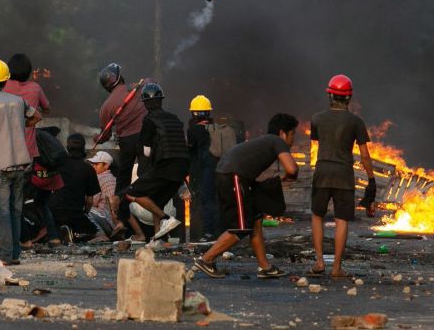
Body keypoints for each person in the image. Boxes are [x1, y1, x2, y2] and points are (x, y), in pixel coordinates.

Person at [194, 113, 299, 280]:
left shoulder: (264, 142)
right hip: (233, 176)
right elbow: (292, 169)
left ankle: (265, 267)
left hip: (233, 175)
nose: (293, 139)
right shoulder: (277, 141)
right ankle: (206, 259)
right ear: (283, 133)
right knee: (241, 227)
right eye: (293, 134)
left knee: (255, 221)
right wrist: (290, 177)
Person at [0, 58, 42, 265]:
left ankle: (5, 256)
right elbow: (36, 117)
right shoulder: (17, 101)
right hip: (21, 163)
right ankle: (15, 254)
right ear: (6, 80)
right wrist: (20, 125)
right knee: (16, 209)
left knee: (1, 210)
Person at [307, 74, 375, 279]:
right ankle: (336, 268)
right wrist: (371, 179)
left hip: (322, 172)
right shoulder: (356, 122)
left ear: (330, 95)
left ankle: (319, 262)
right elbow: (364, 155)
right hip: (343, 175)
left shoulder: (317, 118)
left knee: (317, 216)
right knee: (341, 219)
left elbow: (318, 144)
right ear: (349, 98)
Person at [118, 83, 188, 241]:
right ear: (161, 100)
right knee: (158, 201)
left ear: (145, 103)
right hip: (182, 167)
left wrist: (145, 171)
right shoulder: (174, 119)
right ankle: (158, 240)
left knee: (131, 192)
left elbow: (146, 151)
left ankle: (166, 219)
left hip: (165, 165)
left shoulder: (149, 120)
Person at [97, 63, 147, 233]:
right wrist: (142, 83)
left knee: (123, 180)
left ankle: (120, 221)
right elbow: (153, 84)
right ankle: (156, 219)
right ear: (120, 77)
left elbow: (105, 135)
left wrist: (98, 138)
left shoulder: (106, 106)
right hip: (144, 138)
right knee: (147, 174)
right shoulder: (138, 89)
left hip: (125, 141)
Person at [187, 94, 226, 241]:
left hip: (204, 170)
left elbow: (192, 153)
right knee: (216, 199)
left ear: (194, 113)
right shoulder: (216, 128)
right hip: (219, 168)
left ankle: (208, 233)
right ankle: (220, 232)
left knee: (206, 200)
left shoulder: (193, 130)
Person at [48, 133, 100, 243]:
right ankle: (72, 233)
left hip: (54, 212)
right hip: (75, 214)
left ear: (67, 147)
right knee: (93, 231)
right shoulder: (88, 169)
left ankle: (60, 232)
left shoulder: (58, 165)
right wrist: (84, 213)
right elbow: (90, 201)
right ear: (83, 148)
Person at [86, 151, 122, 241]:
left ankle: (100, 234)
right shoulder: (114, 178)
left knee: (85, 209)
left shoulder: (99, 178)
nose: (93, 166)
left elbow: (92, 202)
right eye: (93, 164)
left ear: (106, 166)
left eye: (97, 164)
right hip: (116, 221)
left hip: (108, 220)